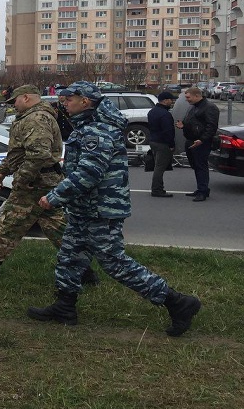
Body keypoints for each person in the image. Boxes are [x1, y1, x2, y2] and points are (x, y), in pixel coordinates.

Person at [28, 81, 201, 337]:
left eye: (69, 99)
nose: (64, 103)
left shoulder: (97, 131)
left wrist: (54, 197)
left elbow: (89, 173)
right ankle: (65, 307)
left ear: (85, 101)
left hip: (101, 210)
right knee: (70, 257)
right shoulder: (88, 126)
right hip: (84, 209)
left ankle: (177, 302)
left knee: (114, 262)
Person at [0, 85, 70, 281]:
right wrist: (3, 171)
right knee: (57, 227)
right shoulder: (33, 117)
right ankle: (83, 268)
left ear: (26, 98)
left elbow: (38, 155)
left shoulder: (36, 119)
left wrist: (21, 179)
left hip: (34, 183)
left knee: (9, 224)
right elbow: (18, 152)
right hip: (45, 181)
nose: (13, 105)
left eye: (15, 101)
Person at [176, 86, 219, 202]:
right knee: (195, 165)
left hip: (201, 142)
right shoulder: (193, 107)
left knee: (201, 166)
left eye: (188, 97)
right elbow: (192, 122)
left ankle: (202, 191)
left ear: (196, 96)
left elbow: (211, 126)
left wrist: (202, 139)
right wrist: (183, 125)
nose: (187, 100)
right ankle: (201, 188)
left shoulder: (210, 107)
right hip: (191, 140)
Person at [147, 91, 177, 197]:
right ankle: (157, 189)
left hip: (153, 141)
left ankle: (157, 188)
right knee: (160, 167)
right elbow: (168, 131)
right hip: (162, 143)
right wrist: (171, 144)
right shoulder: (165, 114)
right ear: (165, 100)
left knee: (157, 166)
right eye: (170, 100)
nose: (172, 102)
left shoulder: (152, 111)